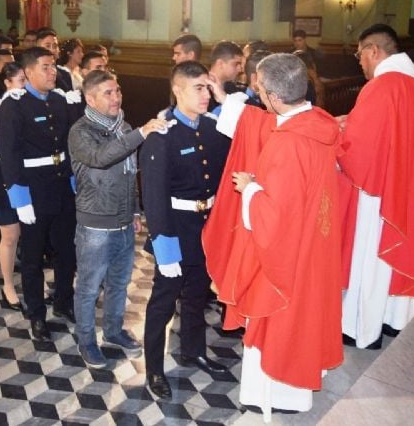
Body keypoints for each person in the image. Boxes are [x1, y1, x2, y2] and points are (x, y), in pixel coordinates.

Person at [203, 52, 343, 419]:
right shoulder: (318, 123)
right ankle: (298, 392)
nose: (258, 93)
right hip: (314, 244)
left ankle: (271, 392)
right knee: (305, 317)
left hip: (285, 257)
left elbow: (273, 215)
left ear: (274, 97)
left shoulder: (287, 143)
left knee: (278, 321)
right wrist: (227, 102)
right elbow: (265, 125)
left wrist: (249, 188)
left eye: (260, 88)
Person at [339, 24, 414, 350]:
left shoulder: (382, 86)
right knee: (399, 251)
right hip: (409, 187)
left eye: (359, 55)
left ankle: (361, 330)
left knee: (371, 257)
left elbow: (359, 146)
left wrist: (334, 136)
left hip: (378, 192)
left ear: (373, 51)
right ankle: (394, 320)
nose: (359, 63)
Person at [140, 61, 232, 399]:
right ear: (178, 90)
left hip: (204, 227)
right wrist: (164, 247)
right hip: (175, 230)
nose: (206, 94)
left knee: (196, 294)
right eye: (198, 88)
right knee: (164, 302)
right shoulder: (162, 134)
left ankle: (194, 351)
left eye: (208, 87)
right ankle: (153, 370)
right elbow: (153, 196)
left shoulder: (211, 128)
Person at [68, 70, 167, 368]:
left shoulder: (122, 126)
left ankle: (112, 332)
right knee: (88, 288)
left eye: (118, 91)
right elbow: (101, 158)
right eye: (108, 93)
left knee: (119, 284)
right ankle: (86, 341)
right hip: (95, 225)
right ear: (91, 98)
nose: (116, 97)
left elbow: (129, 174)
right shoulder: (81, 131)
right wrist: (140, 133)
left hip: (124, 221)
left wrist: (136, 211)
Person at [0, 46, 81, 341]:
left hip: (60, 186)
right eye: (45, 67)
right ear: (28, 72)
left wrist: (72, 181)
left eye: (53, 66)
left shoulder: (59, 100)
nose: (51, 71)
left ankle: (63, 302)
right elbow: (9, 155)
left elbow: (69, 146)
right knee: (32, 257)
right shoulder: (14, 105)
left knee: (67, 250)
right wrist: (20, 199)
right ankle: (36, 314)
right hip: (33, 189)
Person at [0, 62, 27, 312]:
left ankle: (33, 281)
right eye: (20, 80)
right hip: (4, 175)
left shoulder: (34, 103)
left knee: (30, 234)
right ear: (7, 83)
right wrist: (4, 105)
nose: (24, 84)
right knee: (9, 235)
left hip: (28, 175)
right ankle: (8, 284)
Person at [207, 40, 244, 113]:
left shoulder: (233, 88)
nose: (240, 69)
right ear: (220, 64)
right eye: (236, 64)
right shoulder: (201, 88)